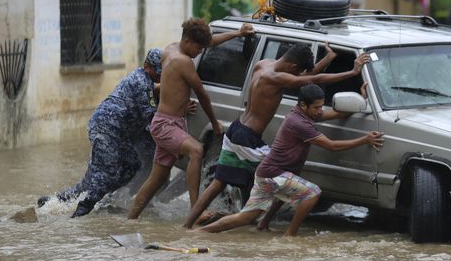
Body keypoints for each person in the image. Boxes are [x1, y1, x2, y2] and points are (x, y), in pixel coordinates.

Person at [183, 43, 371, 228]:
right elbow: (315, 78)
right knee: (283, 172)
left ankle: (188, 224)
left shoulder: (264, 64)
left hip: (236, 128)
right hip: (248, 139)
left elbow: (305, 77)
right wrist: (353, 72)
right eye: (297, 72)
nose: (297, 75)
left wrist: (327, 59)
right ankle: (260, 222)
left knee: (219, 182)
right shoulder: (277, 78)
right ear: (293, 67)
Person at [195, 83, 384, 236]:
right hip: (272, 175)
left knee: (246, 218)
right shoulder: (300, 123)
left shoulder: (303, 115)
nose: (320, 111)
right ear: (303, 105)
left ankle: (206, 232)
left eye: (321, 106)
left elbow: (336, 113)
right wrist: (365, 139)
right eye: (317, 107)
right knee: (312, 193)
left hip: (270, 174)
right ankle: (290, 236)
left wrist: (362, 101)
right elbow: (332, 146)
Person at [127, 19, 255, 219]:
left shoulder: (170, 49)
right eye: (198, 47)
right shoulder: (183, 61)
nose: (200, 52)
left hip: (168, 121)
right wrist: (214, 123)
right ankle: (196, 211)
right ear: (187, 41)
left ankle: (130, 219)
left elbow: (209, 42)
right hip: (166, 124)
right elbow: (202, 94)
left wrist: (238, 34)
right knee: (197, 150)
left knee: (156, 179)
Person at [37, 48, 164, 217]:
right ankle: (80, 213)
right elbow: (150, 116)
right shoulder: (142, 82)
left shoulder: (144, 79)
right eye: (157, 71)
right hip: (106, 127)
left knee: (129, 166)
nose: (160, 76)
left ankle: (54, 202)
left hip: (116, 131)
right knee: (106, 173)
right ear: (146, 65)